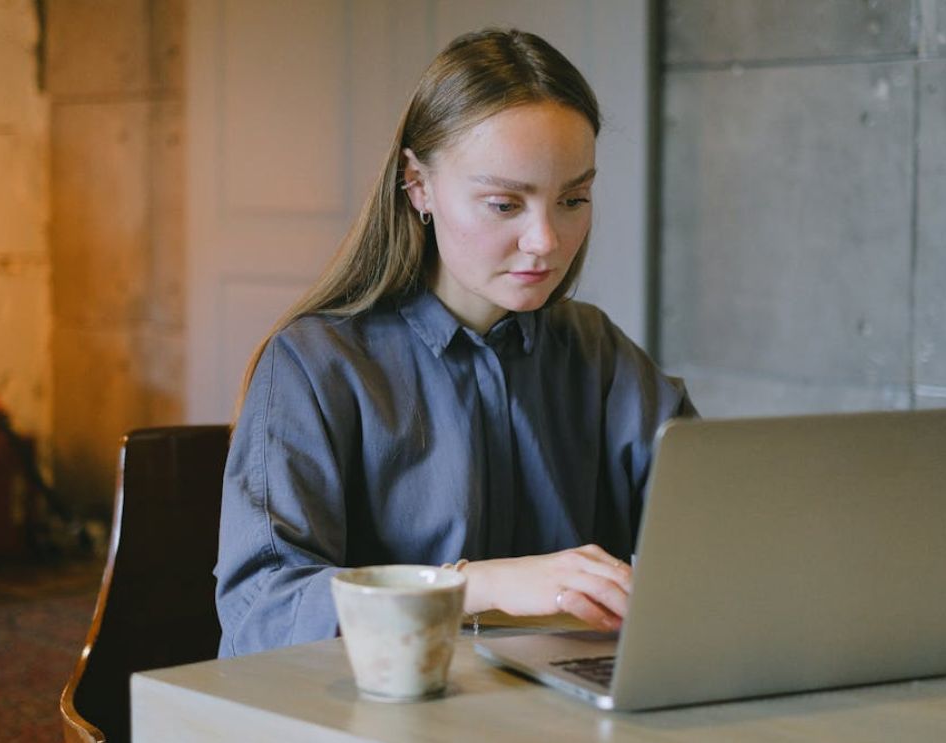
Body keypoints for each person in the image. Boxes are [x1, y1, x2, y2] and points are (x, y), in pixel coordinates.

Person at [215, 28, 695, 657]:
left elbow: (711, 526)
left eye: (574, 198)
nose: (546, 240)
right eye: (504, 204)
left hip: (555, 708)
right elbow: (263, 610)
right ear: (418, 186)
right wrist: (477, 584)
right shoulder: (315, 365)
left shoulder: (596, 352)